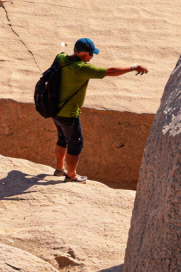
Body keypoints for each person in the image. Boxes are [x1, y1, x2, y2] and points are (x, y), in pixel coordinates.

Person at [53, 37, 148, 183]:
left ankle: (59, 169)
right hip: (69, 113)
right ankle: (71, 175)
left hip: (54, 108)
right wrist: (133, 68)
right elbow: (110, 71)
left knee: (62, 139)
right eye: (91, 54)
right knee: (75, 143)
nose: (91, 57)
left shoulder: (61, 57)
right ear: (83, 53)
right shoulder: (81, 68)